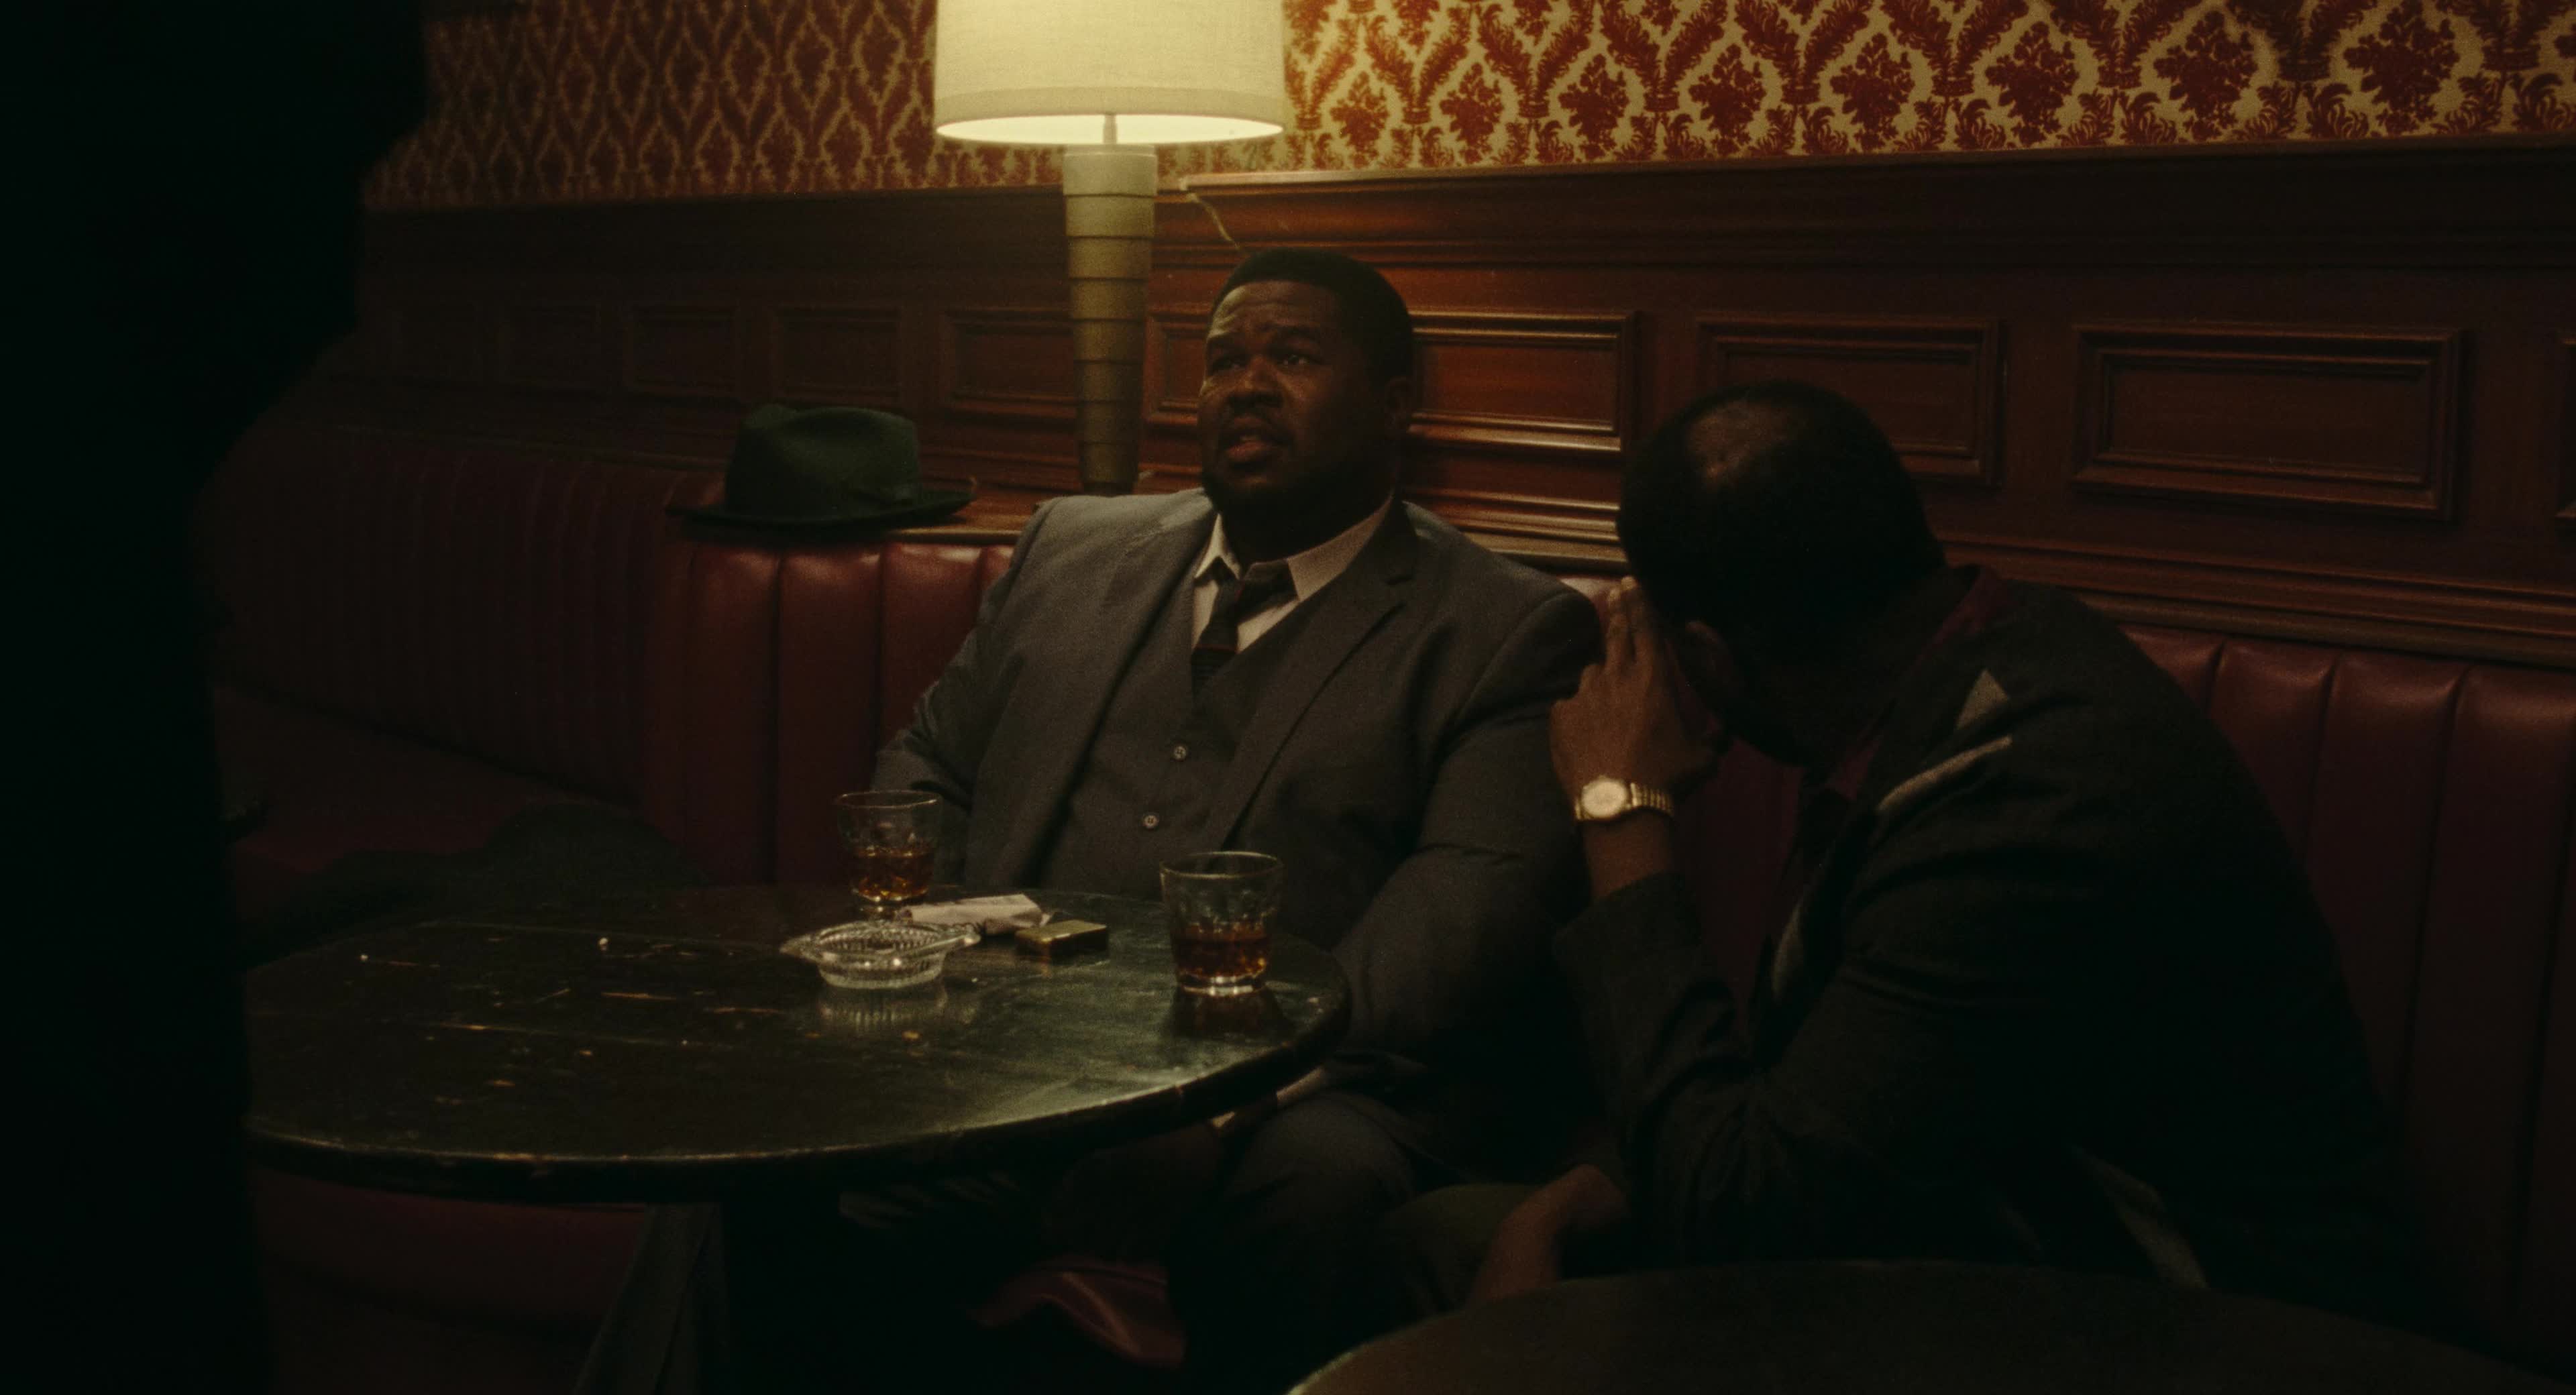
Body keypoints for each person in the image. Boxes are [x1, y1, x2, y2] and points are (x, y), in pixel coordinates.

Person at [582, 249, 1598, 1394]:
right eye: (1223, 360)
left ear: (1394, 404)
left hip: (1302, 1096)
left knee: (1317, 1186)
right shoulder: (1072, 549)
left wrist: (1219, 1110)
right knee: (752, 1155)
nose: (1247, 385)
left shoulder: (1503, 629)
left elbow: (1456, 923)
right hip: (1011, 1058)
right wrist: (955, 975)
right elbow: (929, 767)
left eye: (1295, 358)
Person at [1383, 380, 2422, 1329]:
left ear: (1707, 656)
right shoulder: (1968, 665)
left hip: (2216, 1330)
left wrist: (1618, 809)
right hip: (1979, 1249)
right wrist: (1585, 1194)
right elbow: (1831, 1093)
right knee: (1447, 1236)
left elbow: (1745, 1218)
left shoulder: (2025, 802)